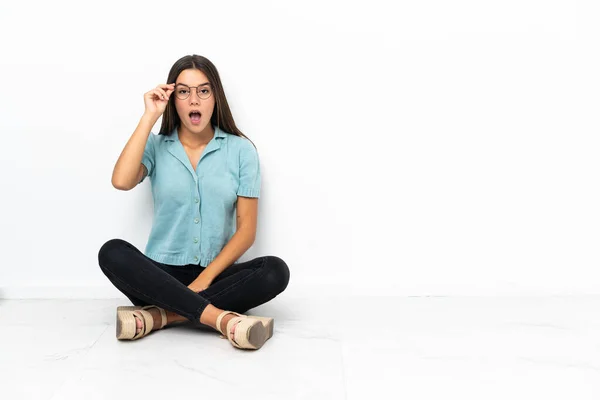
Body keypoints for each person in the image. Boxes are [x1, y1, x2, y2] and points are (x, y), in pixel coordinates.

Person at [97, 54, 290, 350]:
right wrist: (150, 115)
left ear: (215, 97)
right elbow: (121, 181)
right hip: (160, 277)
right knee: (111, 252)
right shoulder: (156, 146)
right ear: (174, 99)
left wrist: (205, 278)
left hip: (216, 276)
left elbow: (246, 231)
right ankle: (223, 320)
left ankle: (160, 317)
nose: (195, 100)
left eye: (203, 90)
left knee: (275, 270)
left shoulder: (241, 151)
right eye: (184, 92)